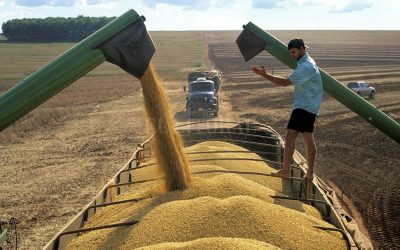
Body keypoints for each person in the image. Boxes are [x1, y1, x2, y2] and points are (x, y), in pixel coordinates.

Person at [251, 38, 323, 180]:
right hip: (310, 105)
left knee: (290, 136)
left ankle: (285, 170)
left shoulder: (305, 67)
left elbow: (284, 82)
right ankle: (309, 174)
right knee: (308, 138)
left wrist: (264, 75)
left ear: (302, 48)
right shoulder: (308, 62)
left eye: (294, 52)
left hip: (304, 106)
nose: (292, 55)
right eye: (291, 53)